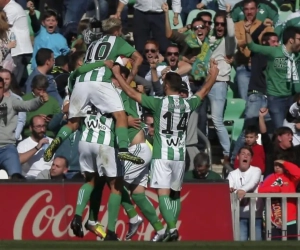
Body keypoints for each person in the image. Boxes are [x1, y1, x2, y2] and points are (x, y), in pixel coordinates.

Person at [114, 57, 219, 241]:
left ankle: (171, 228)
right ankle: (172, 229)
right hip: (180, 154)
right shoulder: (188, 103)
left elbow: (132, 94)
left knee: (162, 193)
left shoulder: (158, 103)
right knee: (175, 193)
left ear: (166, 86)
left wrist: (118, 76)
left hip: (161, 154)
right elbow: (204, 90)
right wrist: (213, 75)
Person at [43, 18, 144, 165]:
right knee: (121, 116)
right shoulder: (117, 41)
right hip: (100, 81)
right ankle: (123, 150)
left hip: (82, 82)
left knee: (73, 123)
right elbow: (138, 58)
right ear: (116, 30)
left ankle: (57, 140)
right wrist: (129, 80)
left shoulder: (92, 44)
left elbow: (82, 68)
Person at [246, 24, 300, 129]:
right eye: (299, 39)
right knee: (281, 129)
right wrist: (247, 32)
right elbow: (252, 46)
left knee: (291, 131)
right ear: (291, 40)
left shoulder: (297, 56)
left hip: (291, 98)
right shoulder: (274, 51)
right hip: (275, 99)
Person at [0, 77, 48, 177]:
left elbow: (27, 105)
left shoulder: (12, 101)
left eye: (0, 87)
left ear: (3, 88)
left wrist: (40, 100)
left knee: (16, 176)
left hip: (7, 148)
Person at [258, 160, 300, 240]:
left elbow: (298, 173)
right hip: (275, 221)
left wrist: (285, 163)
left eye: (280, 165)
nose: (277, 167)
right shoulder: (270, 177)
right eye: (275, 165)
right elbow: (261, 190)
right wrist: (276, 189)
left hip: (291, 220)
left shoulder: (290, 178)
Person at [227, 146, 262, 241]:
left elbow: (253, 182)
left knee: (257, 244)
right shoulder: (232, 174)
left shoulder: (256, 170)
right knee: (241, 243)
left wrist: (240, 190)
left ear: (251, 159)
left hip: (255, 215)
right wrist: (237, 191)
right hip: (239, 215)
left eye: (248, 155)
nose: (245, 156)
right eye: (243, 154)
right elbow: (228, 189)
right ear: (238, 157)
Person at [0, 69, 25, 141]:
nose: (4, 81)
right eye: (2, 79)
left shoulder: (17, 99)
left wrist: (15, 136)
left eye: (7, 79)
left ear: (11, 80)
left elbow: (21, 120)